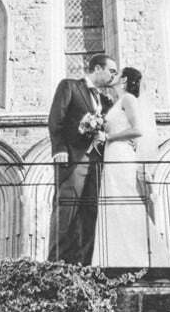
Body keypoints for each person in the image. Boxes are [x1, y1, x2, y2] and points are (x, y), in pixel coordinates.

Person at [47, 54, 118, 264]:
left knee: (90, 210)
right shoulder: (69, 86)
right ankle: (57, 262)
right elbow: (56, 119)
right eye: (111, 71)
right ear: (97, 68)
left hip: (97, 161)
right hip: (73, 158)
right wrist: (59, 149)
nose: (113, 75)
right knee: (66, 207)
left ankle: (83, 262)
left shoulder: (105, 100)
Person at [92, 67, 161, 267]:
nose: (113, 77)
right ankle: (115, 255)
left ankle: (136, 255)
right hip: (112, 153)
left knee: (123, 197)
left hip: (120, 153)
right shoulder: (118, 102)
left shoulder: (129, 99)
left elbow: (137, 130)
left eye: (118, 74)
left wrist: (108, 137)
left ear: (124, 80)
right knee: (113, 199)